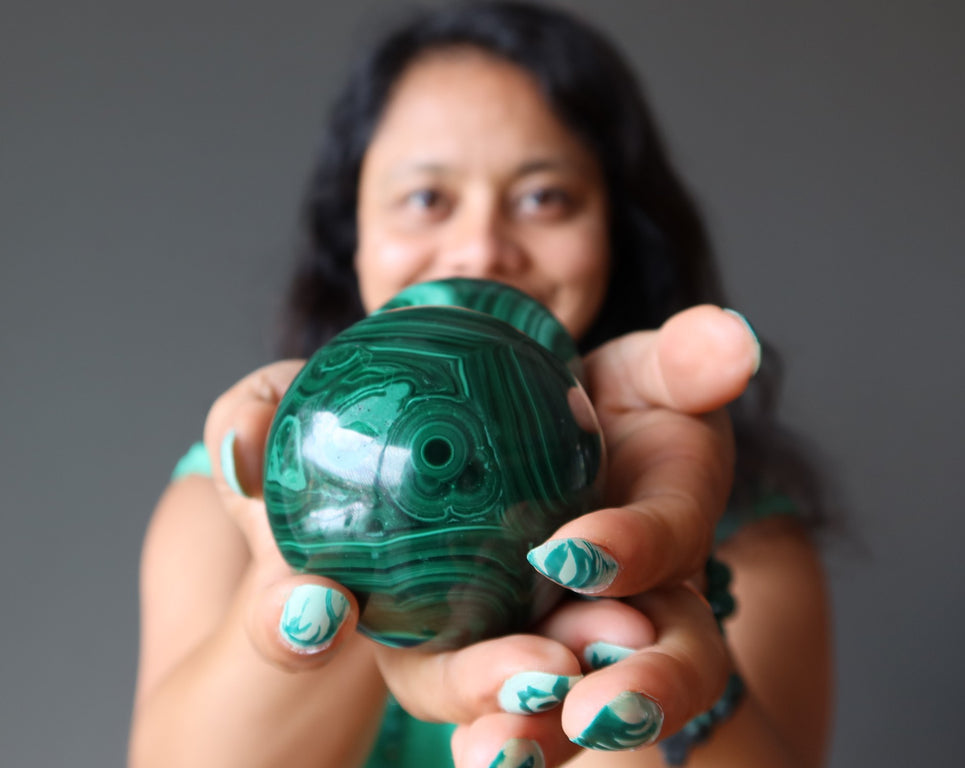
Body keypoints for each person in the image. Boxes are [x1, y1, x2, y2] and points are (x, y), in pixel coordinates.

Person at [129, 3, 832, 767]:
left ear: (617, 235)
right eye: (426, 198)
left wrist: (647, 626)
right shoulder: (223, 499)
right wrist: (352, 561)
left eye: (542, 198)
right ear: (353, 235)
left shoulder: (743, 533)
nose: (479, 250)